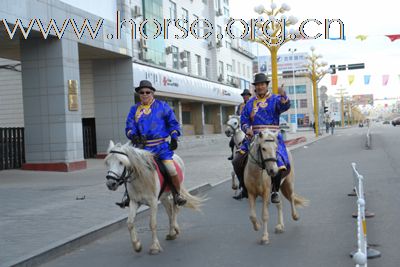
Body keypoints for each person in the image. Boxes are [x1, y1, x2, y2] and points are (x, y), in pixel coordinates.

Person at [122, 80, 186, 208]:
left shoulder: (163, 106)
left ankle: (177, 194)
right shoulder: (134, 109)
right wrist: (132, 135)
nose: (145, 94)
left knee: (170, 168)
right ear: (139, 94)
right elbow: (129, 126)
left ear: (152, 93)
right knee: (128, 167)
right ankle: (128, 196)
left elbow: (173, 123)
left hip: (161, 147)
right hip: (141, 148)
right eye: (142, 92)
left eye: (147, 92)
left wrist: (174, 137)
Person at [232, 73, 291, 203]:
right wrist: (247, 128)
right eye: (258, 85)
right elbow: (244, 120)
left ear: (266, 85)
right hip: (255, 136)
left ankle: (275, 190)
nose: (260, 87)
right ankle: (244, 187)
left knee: (280, 162)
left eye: (262, 84)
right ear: (255, 87)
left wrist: (284, 95)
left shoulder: (275, 99)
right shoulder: (250, 103)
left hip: (272, 136)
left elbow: (285, 106)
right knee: (236, 160)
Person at [228, 89, 252, 160]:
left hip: (250, 125)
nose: (245, 97)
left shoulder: (252, 104)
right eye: (244, 95)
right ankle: (233, 154)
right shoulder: (240, 105)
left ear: (249, 96)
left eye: (246, 95)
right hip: (240, 125)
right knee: (232, 141)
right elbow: (237, 114)